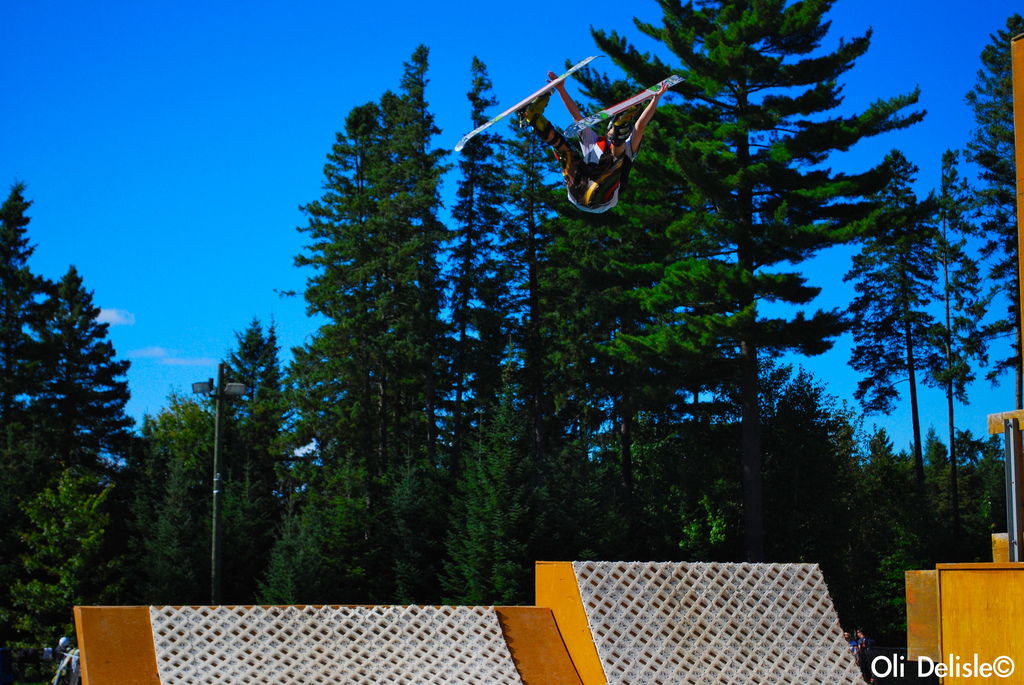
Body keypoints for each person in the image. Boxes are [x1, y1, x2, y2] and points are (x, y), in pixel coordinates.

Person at [519, 70, 671, 213]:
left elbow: (640, 125)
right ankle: (534, 117)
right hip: (581, 190)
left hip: (600, 197)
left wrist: (655, 100)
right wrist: (561, 89)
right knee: (565, 150)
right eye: (615, 128)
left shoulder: (627, 146)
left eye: (616, 129)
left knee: (617, 155)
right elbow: (577, 118)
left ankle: (620, 129)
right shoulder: (595, 141)